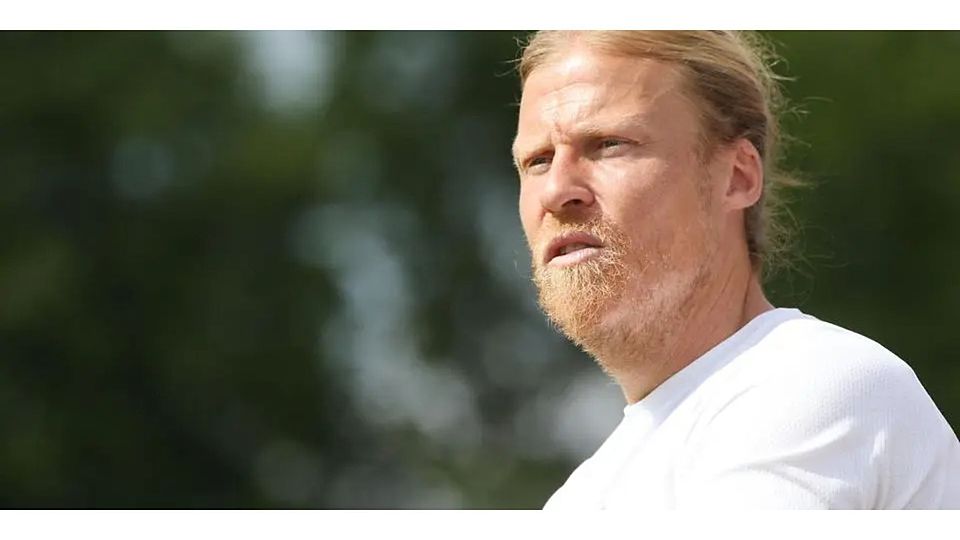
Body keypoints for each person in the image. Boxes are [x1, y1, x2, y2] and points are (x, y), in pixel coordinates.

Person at [512, 30, 960, 509]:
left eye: (609, 144)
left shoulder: (812, 382)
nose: (558, 190)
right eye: (537, 160)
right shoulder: (581, 495)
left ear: (738, 176)